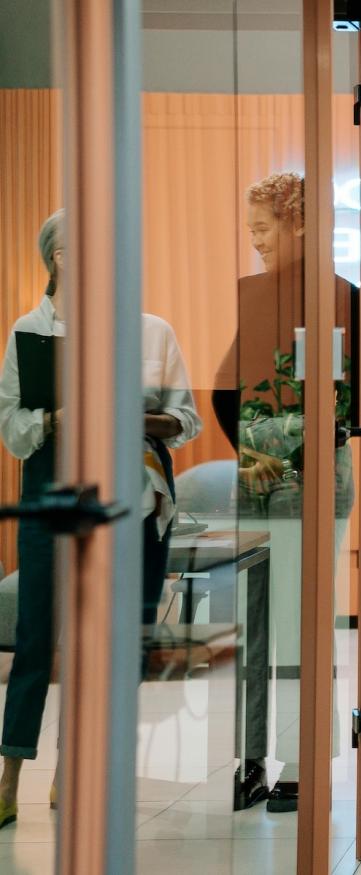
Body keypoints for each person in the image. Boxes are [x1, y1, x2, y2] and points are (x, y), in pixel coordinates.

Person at [0, 209, 201, 828]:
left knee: (111, 646)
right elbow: (12, 431)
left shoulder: (150, 332)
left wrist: (128, 414)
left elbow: (186, 420)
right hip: (52, 495)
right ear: (60, 258)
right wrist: (59, 417)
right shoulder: (27, 334)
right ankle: (8, 780)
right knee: (37, 637)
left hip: (131, 503)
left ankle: (74, 769)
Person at [211, 171, 354, 813]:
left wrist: (273, 450)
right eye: (251, 232)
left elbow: (338, 403)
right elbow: (225, 387)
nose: (257, 242)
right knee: (252, 625)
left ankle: (299, 764)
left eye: (263, 230)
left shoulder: (337, 297)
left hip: (312, 475)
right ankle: (249, 760)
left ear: (298, 223)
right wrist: (250, 455)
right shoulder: (255, 294)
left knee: (301, 622)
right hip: (259, 472)